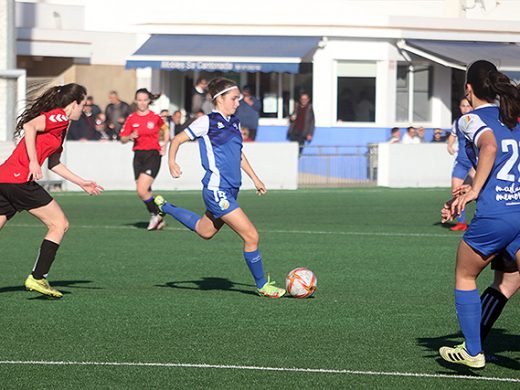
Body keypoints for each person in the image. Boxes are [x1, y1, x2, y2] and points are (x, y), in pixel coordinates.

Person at [154, 77, 285, 298]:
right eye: (234, 98)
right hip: (217, 190)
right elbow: (176, 140)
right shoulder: (207, 122)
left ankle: (165, 207)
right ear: (219, 99)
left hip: (231, 190)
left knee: (204, 231)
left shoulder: (234, 121)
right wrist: (171, 162)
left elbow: (239, 154)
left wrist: (255, 178)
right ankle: (263, 285)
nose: (237, 103)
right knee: (251, 236)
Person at [439, 60, 520, 368]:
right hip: (518, 211)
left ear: (469, 89)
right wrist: (466, 190)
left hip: (495, 216)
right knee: (508, 279)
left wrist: (473, 192)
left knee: (465, 274)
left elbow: (489, 149)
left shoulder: (470, 119)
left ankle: (472, 351)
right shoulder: (511, 117)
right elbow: (500, 164)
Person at [0, 83, 103, 298]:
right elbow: (29, 126)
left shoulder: (61, 127)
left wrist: (81, 182)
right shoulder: (60, 117)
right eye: (82, 104)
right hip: (20, 180)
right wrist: (33, 162)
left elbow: (54, 163)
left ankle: (38, 277)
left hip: (5, 179)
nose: (83, 109)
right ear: (73, 103)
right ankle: (37, 278)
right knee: (59, 224)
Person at [120, 88, 170, 231]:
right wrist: (130, 137)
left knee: (141, 190)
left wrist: (165, 145)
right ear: (136, 101)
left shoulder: (155, 117)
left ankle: (156, 214)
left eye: (144, 100)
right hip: (138, 156)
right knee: (145, 190)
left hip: (153, 155)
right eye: (139, 100)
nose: (142, 103)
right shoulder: (131, 118)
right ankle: (158, 216)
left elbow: (166, 130)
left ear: (149, 101)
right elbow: (123, 138)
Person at [447, 97, 474, 231]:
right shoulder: (457, 122)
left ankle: (480, 222)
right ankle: (461, 222)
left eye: (468, 106)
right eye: (463, 106)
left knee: (476, 193)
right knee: (456, 192)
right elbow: (453, 135)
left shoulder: (476, 121)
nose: (465, 108)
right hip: (461, 162)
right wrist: (449, 145)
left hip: (474, 164)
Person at [287, 92, 315, 156]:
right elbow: (292, 117)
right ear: (300, 99)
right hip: (294, 131)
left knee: (299, 151)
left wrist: (310, 134)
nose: (304, 101)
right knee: (292, 151)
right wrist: (291, 118)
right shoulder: (297, 107)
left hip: (303, 133)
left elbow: (312, 122)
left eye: (305, 99)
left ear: (308, 100)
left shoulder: (309, 108)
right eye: (302, 99)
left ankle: (296, 164)